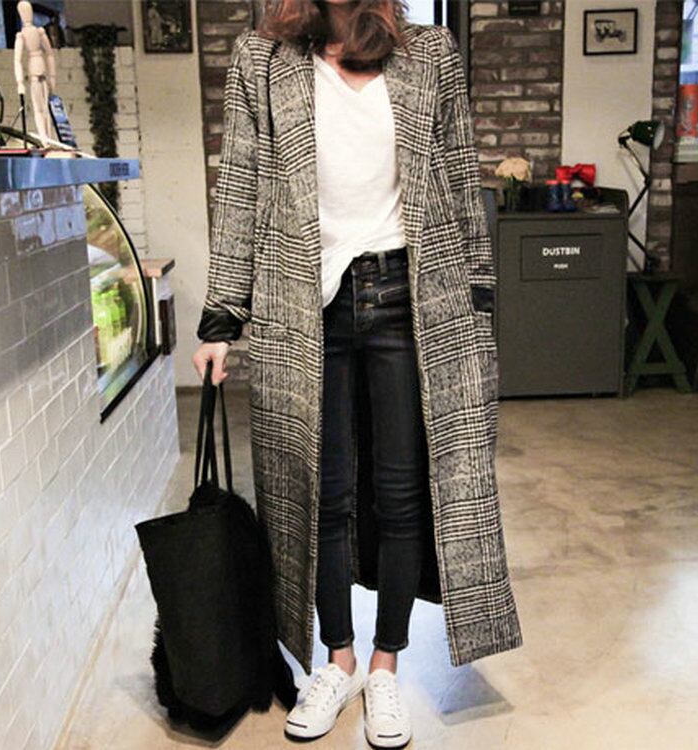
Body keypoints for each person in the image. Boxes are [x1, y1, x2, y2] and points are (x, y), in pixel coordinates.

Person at [192, 1, 523, 747]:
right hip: (303, 306)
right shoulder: (263, 60)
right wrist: (222, 316)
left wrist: (477, 296)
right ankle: (337, 660)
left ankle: (384, 666)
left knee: (404, 492)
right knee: (321, 492)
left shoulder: (430, 53)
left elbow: (457, 178)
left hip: (412, 297)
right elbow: (240, 185)